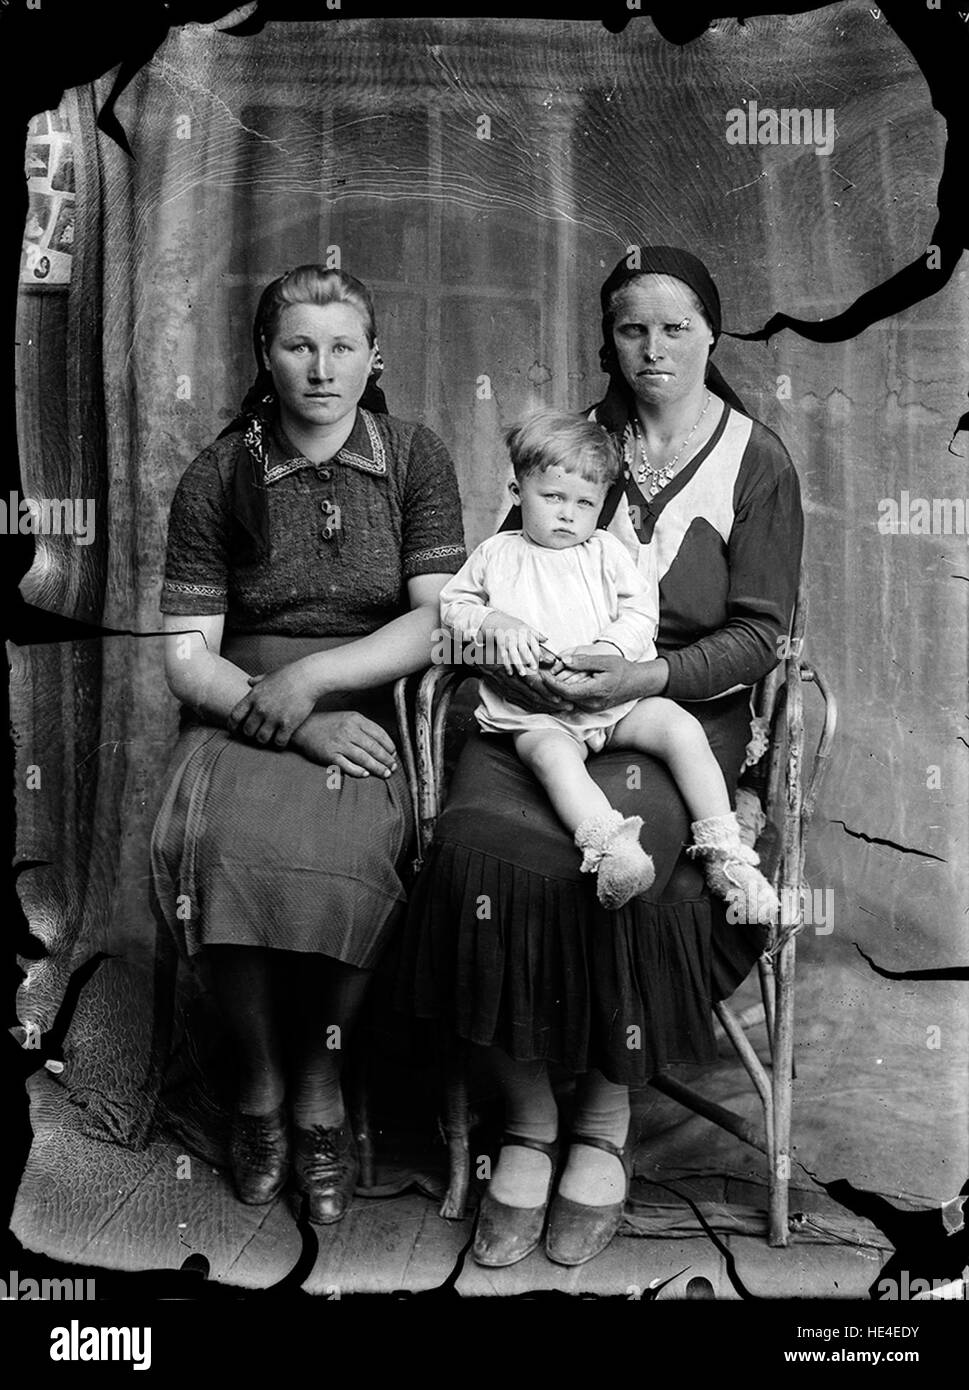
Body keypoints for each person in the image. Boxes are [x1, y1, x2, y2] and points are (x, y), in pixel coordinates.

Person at [401, 245, 803, 1269]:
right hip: (535, 711)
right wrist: (516, 653)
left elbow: (762, 637)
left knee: (622, 875)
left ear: (713, 334)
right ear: (608, 339)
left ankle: (604, 1127)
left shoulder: (756, 461)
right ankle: (529, 1122)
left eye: (675, 327)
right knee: (476, 849)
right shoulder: (579, 448)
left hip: (676, 718)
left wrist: (638, 680)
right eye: (632, 328)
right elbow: (496, 580)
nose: (653, 347)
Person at [151, 265, 466, 1224]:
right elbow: (184, 657)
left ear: (375, 358)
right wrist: (282, 707)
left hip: (369, 708)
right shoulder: (219, 473)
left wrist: (320, 684)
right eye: (298, 346)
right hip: (244, 709)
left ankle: (320, 1087)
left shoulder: (413, 457)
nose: (320, 368)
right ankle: (255, 1090)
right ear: (265, 356)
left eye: (341, 347)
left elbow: (437, 622)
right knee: (220, 847)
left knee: (355, 852)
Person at [439, 408, 779, 919]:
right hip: (539, 712)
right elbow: (452, 607)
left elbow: (642, 611)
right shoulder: (496, 554)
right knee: (554, 760)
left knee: (679, 728)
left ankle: (723, 851)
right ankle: (612, 850)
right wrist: (492, 625)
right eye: (551, 497)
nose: (567, 515)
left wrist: (614, 650)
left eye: (584, 503)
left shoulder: (606, 551)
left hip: (616, 702)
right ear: (516, 492)